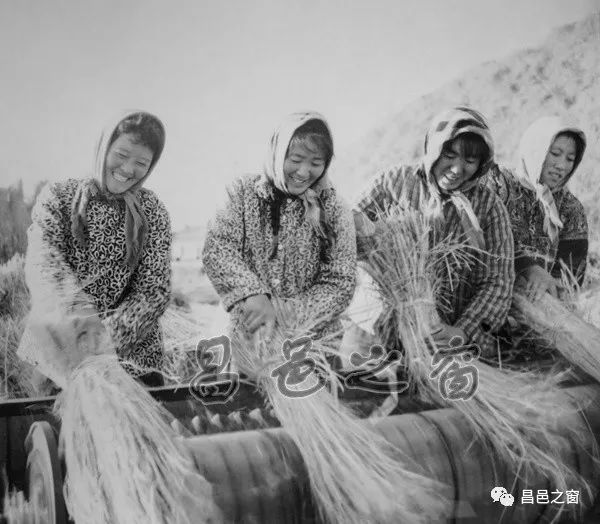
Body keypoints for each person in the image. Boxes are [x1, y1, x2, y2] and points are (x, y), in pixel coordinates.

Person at [19, 110, 171, 388]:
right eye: (122, 154)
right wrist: (78, 330)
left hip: (131, 357)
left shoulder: (152, 210)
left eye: (141, 162)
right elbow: (45, 264)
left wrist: (104, 342)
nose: (128, 169)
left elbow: (154, 289)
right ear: (104, 148)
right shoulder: (59, 196)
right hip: (60, 352)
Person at [354, 107, 515, 358]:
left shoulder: (488, 206)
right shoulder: (393, 183)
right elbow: (349, 237)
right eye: (449, 154)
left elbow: (498, 280)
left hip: (449, 341)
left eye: (470, 161)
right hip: (387, 331)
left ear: (481, 164)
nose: (457, 168)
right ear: (434, 147)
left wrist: (463, 332)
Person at [202, 111, 356, 358]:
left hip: (312, 348)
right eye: (296, 159)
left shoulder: (334, 207)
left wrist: (286, 313)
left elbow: (341, 281)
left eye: (316, 163)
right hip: (246, 340)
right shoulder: (242, 192)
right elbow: (219, 249)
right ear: (277, 152)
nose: (303, 172)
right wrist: (253, 294)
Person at [485, 116, 588, 300]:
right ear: (534, 150)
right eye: (555, 153)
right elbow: (485, 235)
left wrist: (551, 290)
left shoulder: (571, 208)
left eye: (570, 159)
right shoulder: (498, 183)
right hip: (489, 289)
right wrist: (528, 267)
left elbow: (570, 278)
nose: (562, 166)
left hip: (537, 303)